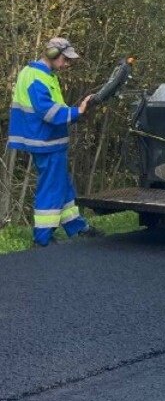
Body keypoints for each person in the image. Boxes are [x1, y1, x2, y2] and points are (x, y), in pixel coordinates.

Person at [7, 38, 100, 247]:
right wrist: (78, 111)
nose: (68, 64)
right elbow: (48, 112)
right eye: (65, 59)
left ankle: (76, 227)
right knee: (51, 187)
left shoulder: (45, 75)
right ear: (52, 54)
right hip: (45, 141)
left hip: (50, 141)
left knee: (63, 186)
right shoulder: (36, 77)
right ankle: (43, 238)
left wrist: (76, 113)